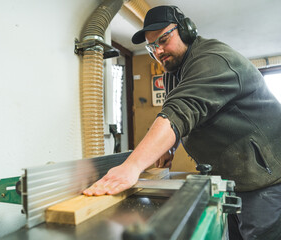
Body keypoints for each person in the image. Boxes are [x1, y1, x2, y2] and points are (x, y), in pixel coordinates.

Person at [83, 5, 281, 240]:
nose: (158, 51)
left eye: (164, 40)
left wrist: (132, 166)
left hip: (266, 181)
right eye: (152, 46)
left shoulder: (212, 60)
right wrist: (170, 147)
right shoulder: (173, 72)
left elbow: (180, 111)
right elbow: (177, 111)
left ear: (187, 30)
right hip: (233, 178)